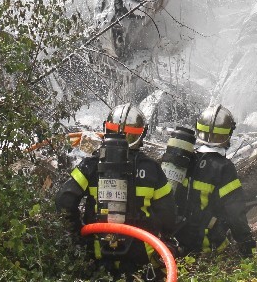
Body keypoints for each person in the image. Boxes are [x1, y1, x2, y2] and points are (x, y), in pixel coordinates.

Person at [55, 103, 177, 279]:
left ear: (107, 128)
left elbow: (64, 200)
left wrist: (79, 233)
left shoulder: (90, 165)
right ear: (141, 133)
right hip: (141, 254)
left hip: (97, 253)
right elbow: (168, 216)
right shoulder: (152, 169)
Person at [174, 104, 255, 259]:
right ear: (228, 134)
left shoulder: (185, 160)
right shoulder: (224, 168)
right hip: (207, 247)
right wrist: (247, 247)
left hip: (177, 242)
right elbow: (235, 214)